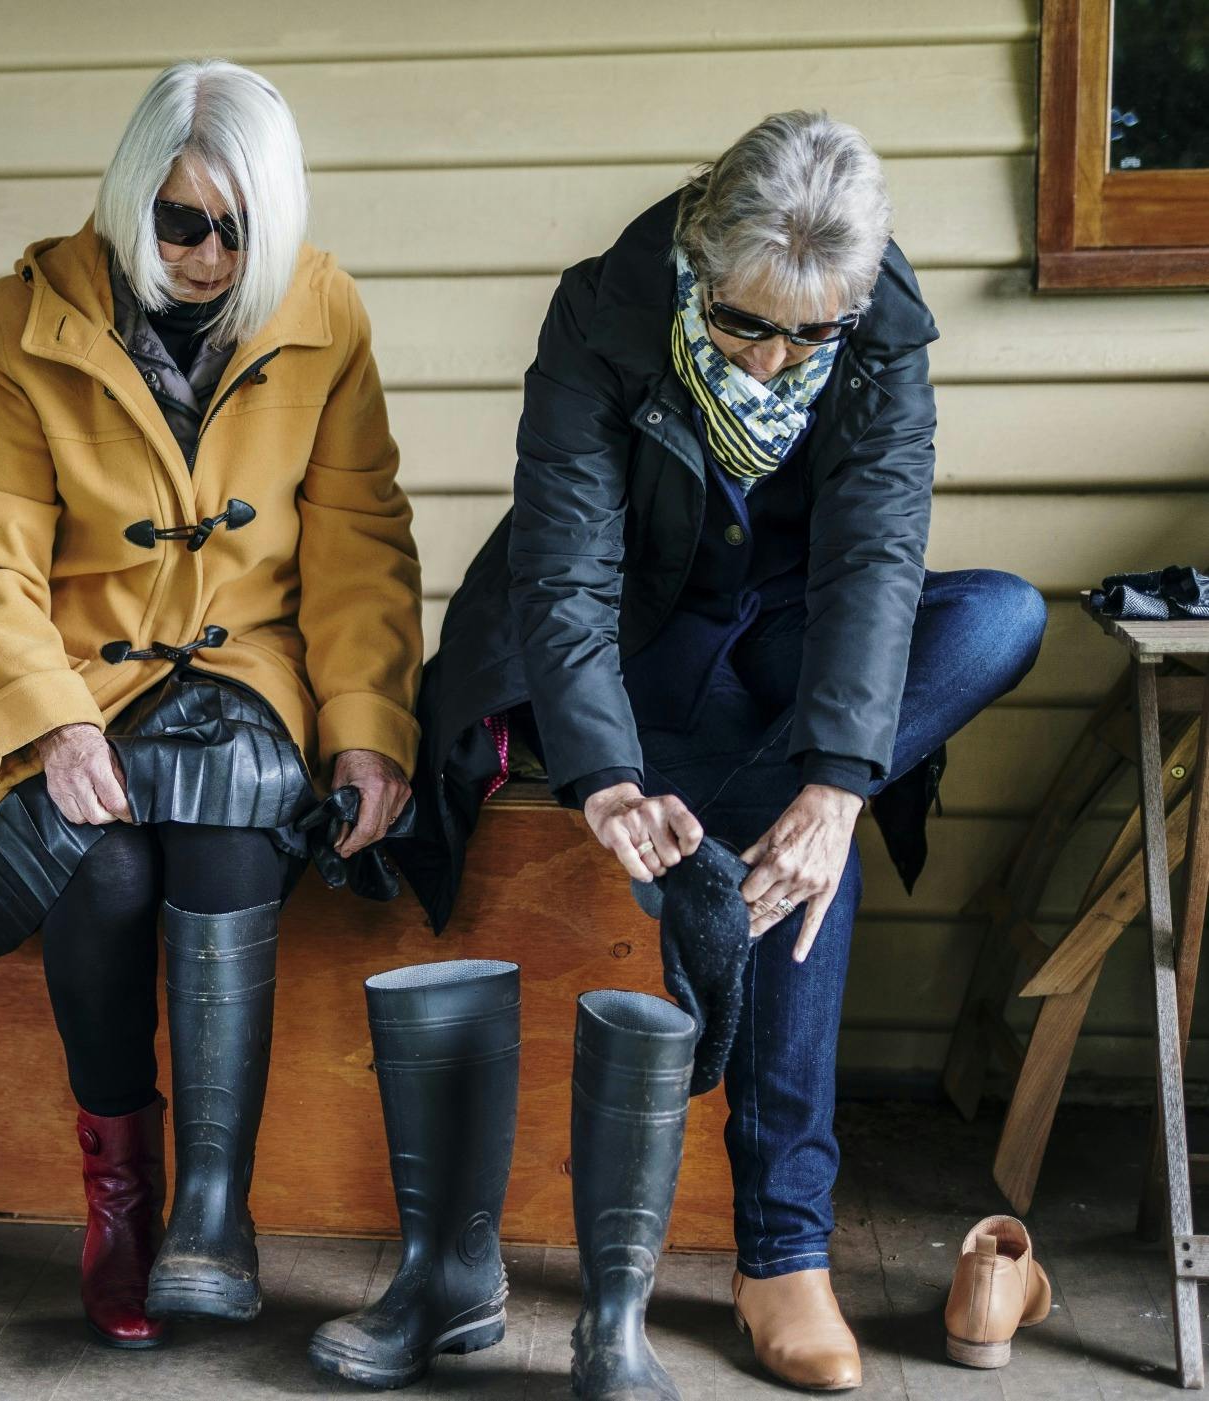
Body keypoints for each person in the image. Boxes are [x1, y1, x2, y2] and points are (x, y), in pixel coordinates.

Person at [401, 111, 1046, 1391]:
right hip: (624, 643)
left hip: (787, 650)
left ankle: (741, 861)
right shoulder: (601, 311)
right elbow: (567, 573)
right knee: (807, 854)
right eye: (748, 323)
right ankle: (783, 1253)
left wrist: (833, 783)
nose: (773, 358)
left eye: (812, 331)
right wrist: (604, 776)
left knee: (999, 620)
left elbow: (874, 559)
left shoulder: (880, 331)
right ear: (700, 263)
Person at [0, 59, 423, 1354]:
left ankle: (212, 1209)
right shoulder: (24, 322)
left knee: (231, 839)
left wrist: (365, 721)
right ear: (136, 199)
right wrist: (47, 713)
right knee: (103, 869)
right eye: (182, 220)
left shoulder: (324, 311)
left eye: (239, 227)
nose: (207, 253)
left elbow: (359, 537)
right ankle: (121, 1197)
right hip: (87, 678)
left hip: (247, 675)